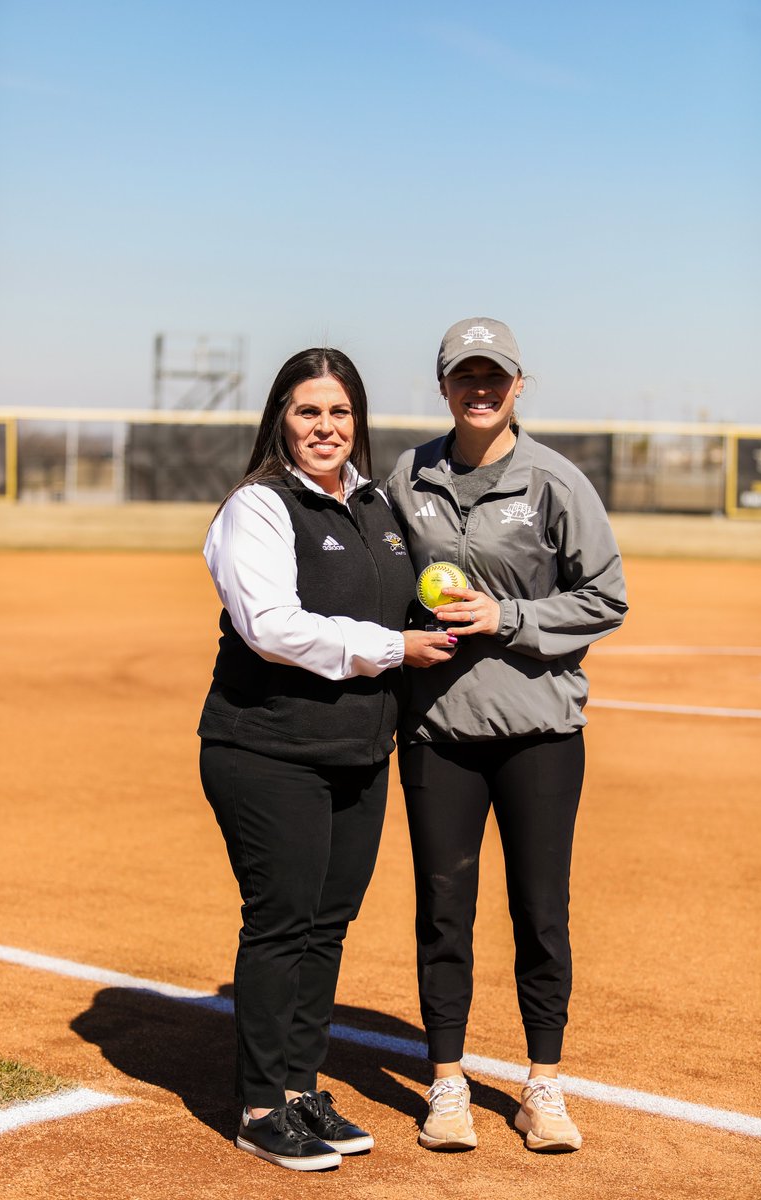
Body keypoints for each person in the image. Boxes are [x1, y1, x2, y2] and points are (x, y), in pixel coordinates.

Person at [198, 347, 454, 1173]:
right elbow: (269, 626)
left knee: (328, 925)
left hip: (355, 752)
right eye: (309, 412)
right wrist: (392, 647)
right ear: (281, 417)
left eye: (340, 413)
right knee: (281, 923)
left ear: (358, 423)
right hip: (267, 749)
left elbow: (403, 599)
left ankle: (302, 1086)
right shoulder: (259, 507)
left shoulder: (376, 506)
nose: (326, 427)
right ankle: (261, 1103)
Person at [387, 318, 628, 1154]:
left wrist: (509, 615)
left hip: (539, 733)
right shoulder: (407, 473)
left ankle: (543, 1087)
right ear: (444, 384)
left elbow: (605, 597)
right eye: (465, 376)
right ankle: (446, 1085)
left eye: (495, 376)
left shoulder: (556, 482)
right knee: (443, 912)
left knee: (541, 912)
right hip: (438, 731)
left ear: (519, 385)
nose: (480, 389)